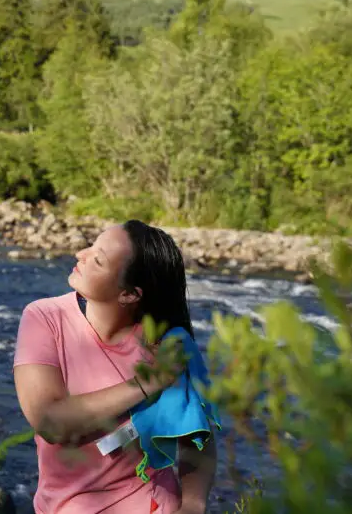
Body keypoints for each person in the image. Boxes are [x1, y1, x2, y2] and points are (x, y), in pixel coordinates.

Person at [13, 220, 217, 514]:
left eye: (97, 259)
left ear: (129, 294)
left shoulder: (166, 342)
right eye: (90, 247)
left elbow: (196, 435)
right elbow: (50, 423)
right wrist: (149, 382)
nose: (79, 255)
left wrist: (194, 505)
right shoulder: (45, 318)